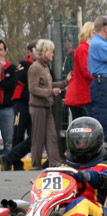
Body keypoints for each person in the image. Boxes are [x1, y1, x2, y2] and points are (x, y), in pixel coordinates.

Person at [60, 117, 107, 216]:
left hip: (94, 209)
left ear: (96, 141)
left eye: (85, 142)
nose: (80, 146)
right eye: (77, 142)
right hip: (61, 207)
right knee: (20, 205)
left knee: (81, 203)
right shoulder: (63, 167)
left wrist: (88, 176)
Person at [29, 39, 70, 167]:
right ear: (45, 52)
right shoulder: (35, 68)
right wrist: (51, 92)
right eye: (51, 52)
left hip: (46, 106)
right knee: (38, 137)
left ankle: (55, 162)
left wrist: (64, 83)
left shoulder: (44, 67)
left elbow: (47, 85)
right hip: (38, 107)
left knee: (51, 136)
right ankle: (36, 164)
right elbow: (33, 88)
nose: (53, 54)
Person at [2, 42, 37, 170]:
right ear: (29, 52)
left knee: (34, 136)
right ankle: (16, 163)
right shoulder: (22, 65)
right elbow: (19, 78)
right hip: (21, 103)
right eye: (34, 50)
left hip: (34, 104)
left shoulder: (42, 65)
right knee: (18, 134)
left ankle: (10, 157)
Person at [64, 22, 94, 122]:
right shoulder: (83, 49)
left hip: (81, 95)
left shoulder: (85, 48)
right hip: (81, 96)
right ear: (91, 33)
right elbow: (86, 70)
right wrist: (100, 77)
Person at [0, 39, 16, 154]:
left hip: (7, 108)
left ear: (5, 51)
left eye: (0, 50)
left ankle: (6, 164)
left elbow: (11, 84)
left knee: (8, 139)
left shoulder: (11, 68)